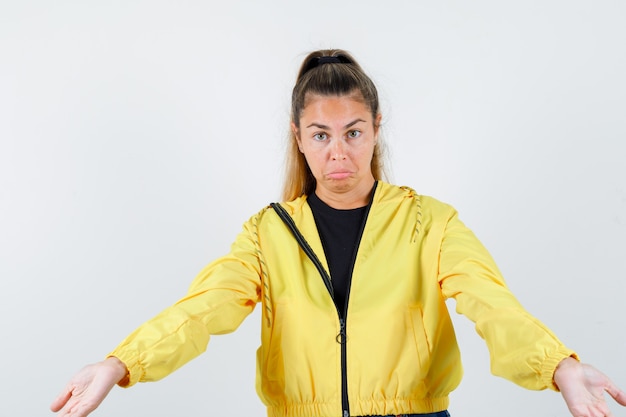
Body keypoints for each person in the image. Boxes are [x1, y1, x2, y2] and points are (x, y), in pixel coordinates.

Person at [51, 49, 625, 417]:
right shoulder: (266, 234)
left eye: (352, 132)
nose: (339, 152)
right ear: (298, 138)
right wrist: (121, 362)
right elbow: (202, 309)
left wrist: (559, 365)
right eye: (321, 135)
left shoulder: (431, 223)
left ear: (376, 129)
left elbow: (492, 305)